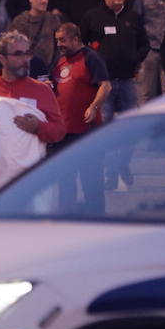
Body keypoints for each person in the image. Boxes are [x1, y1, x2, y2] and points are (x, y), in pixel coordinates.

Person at [81, 0, 149, 191]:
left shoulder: (133, 17)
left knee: (130, 129)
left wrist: (134, 60)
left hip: (128, 81)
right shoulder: (92, 17)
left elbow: (144, 45)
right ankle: (110, 173)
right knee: (106, 131)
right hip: (104, 85)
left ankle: (123, 165)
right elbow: (83, 47)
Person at [49, 23, 111, 214]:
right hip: (64, 130)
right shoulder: (59, 61)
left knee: (90, 177)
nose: (59, 44)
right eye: (57, 40)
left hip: (86, 130)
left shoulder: (91, 57)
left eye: (63, 40)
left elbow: (106, 86)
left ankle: (97, 215)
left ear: (76, 39)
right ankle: (67, 216)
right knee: (65, 178)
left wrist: (94, 107)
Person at [0, 31, 67, 150]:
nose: (25, 59)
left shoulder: (42, 90)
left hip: (31, 167)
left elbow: (59, 131)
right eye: (18, 54)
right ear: (2, 58)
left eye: (27, 53)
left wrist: (38, 127)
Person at [10, 0, 63, 67]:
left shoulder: (53, 19)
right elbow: (14, 49)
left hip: (47, 72)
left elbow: (59, 47)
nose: (44, 1)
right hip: (25, 70)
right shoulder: (20, 21)